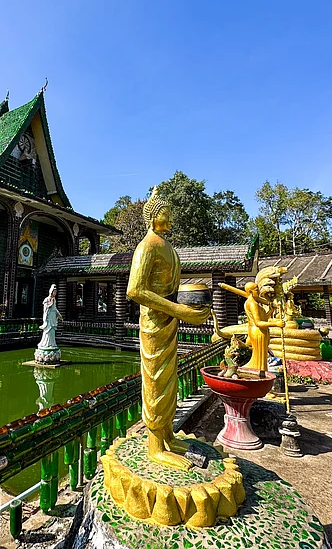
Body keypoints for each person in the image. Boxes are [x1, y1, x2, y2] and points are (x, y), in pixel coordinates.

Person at [127, 188, 210, 471]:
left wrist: (191, 308)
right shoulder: (147, 246)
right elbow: (135, 290)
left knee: (169, 382)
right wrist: (180, 311)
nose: (170, 222)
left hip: (168, 323)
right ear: (152, 218)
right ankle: (154, 447)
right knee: (155, 382)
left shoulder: (168, 248)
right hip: (153, 325)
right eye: (166, 216)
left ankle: (167, 436)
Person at [38, 284, 61, 350]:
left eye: (56, 292)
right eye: (54, 292)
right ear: (51, 292)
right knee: (48, 331)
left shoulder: (54, 300)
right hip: (49, 318)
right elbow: (45, 309)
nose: (55, 293)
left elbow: (55, 308)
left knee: (52, 332)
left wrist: (59, 314)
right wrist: (50, 304)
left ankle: (52, 344)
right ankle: (46, 344)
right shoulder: (47, 299)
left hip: (53, 317)